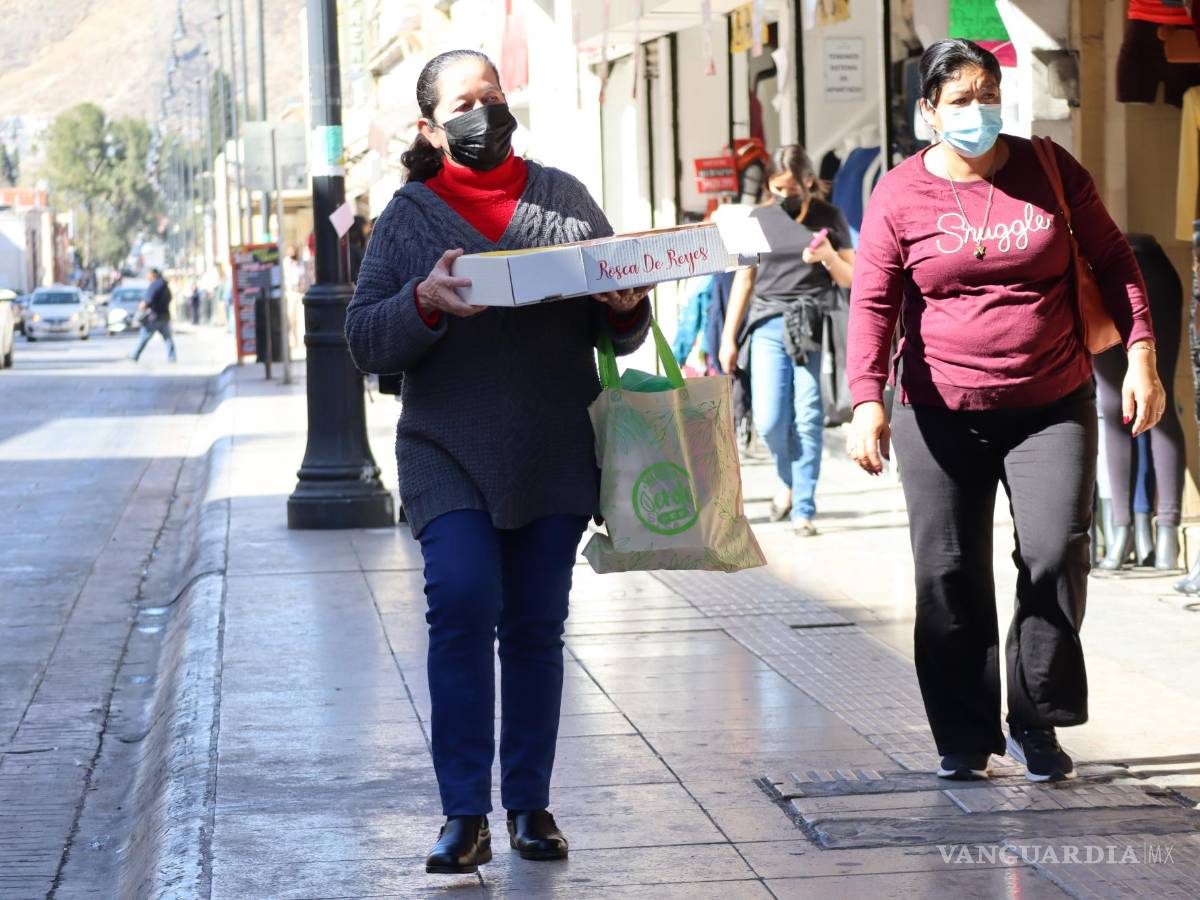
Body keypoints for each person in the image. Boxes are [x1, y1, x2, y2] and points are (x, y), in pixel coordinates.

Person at [344, 49, 650, 876]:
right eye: (464, 105)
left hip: (553, 448)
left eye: (493, 96)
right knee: (462, 603)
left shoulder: (563, 198)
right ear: (431, 127)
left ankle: (529, 805)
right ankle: (461, 813)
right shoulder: (409, 217)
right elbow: (365, 337)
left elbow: (621, 325)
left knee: (535, 628)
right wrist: (423, 302)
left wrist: (627, 307)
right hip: (447, 452)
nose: (485, 115)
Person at [846, 40, 1165, 784]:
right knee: (949, 574)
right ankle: (963, 735)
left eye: (987, 94)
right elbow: (873, 302)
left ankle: (1039, 719)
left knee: (1055, 554)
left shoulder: (1047, 165)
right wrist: (867, 400)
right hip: (938, 408)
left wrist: (1142, 353)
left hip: (1051, 400)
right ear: (928, 112)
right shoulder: (898, 193)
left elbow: (1115, 259)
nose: (977, 111)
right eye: (958, 100)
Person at [719, 145, 855, 534]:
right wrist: (729, 338)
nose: (784, 195)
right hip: (767, 323)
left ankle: (804, 509)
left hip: (813, 322)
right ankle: (788, 481)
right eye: (778, 188)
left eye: (793, 186)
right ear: (769, 185)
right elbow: (744, 280)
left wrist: (828, 257)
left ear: (809, 181)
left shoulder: (829, 216)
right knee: (770, 419)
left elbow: (854, 277)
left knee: (809, 415)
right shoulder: (755, 218)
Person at [132, 268, 177, 363]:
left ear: (153, 274)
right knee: (168, 339)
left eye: (148, 274)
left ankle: (135, 355)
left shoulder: (155, 285)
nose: (147, 276)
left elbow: (148, 300)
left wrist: (142, 307)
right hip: (164, 315)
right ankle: (172, 357)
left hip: (154, 316)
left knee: (144, 336)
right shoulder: (165, 285)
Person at [282, 245, 310, 349]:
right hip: (291, 293)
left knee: (301, 317)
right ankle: (293, 339)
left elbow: (307, 276)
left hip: (301, 293)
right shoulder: (286, 263)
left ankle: (301, 339)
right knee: (291, 317)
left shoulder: (302, 262)